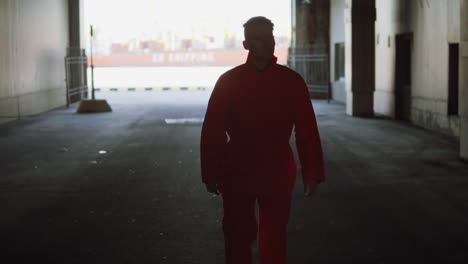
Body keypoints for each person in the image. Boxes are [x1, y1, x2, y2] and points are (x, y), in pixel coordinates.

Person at [200, 16, 325, 264]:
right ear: (246, 44)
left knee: (274, 236)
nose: (266, 43)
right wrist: (210, 172)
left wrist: (312, 172)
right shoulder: (229, 82)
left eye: (269, 37)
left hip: (277, 169)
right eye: (258, 38)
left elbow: (307, 130)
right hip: (237, 170)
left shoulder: (291, 82)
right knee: (237, 235)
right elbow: (212, 130)